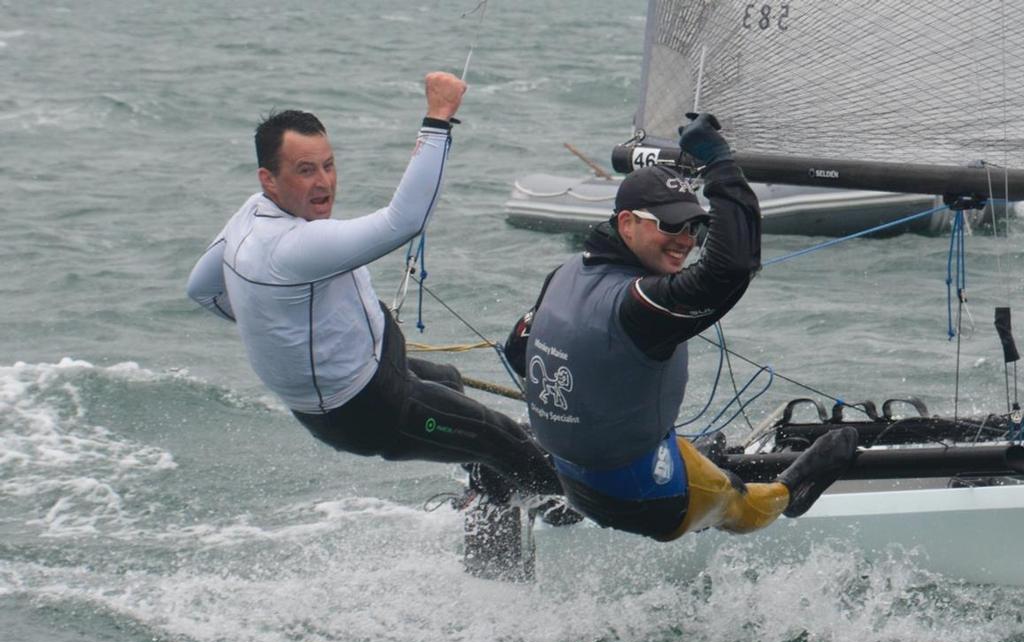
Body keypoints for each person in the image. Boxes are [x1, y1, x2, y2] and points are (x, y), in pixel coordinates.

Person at [186, 72, 573, 561]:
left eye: (328, 166)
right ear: (270, 179)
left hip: (369, 372)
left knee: (450, 384)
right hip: (370, 409)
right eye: (305, 171)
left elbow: (201, 289)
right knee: (501, 439)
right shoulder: (294, 246)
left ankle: (492, 504)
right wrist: (438, 119)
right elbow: (404, 221)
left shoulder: (251, 215)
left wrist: (279, 324)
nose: (323, 182)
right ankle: (580, 505)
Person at [505, 113, 859, 541]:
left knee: (678, 448)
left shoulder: (564, 274)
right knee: (740, 502)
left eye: (695, 226)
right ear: (626, 224)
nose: (687, 240)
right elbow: (729, 269)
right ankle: (791, 490)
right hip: (649, 500)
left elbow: (519, 350)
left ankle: (626, 474)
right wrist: (720, 164)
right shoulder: (637, 307)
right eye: (671, 225)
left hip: (574, 474)